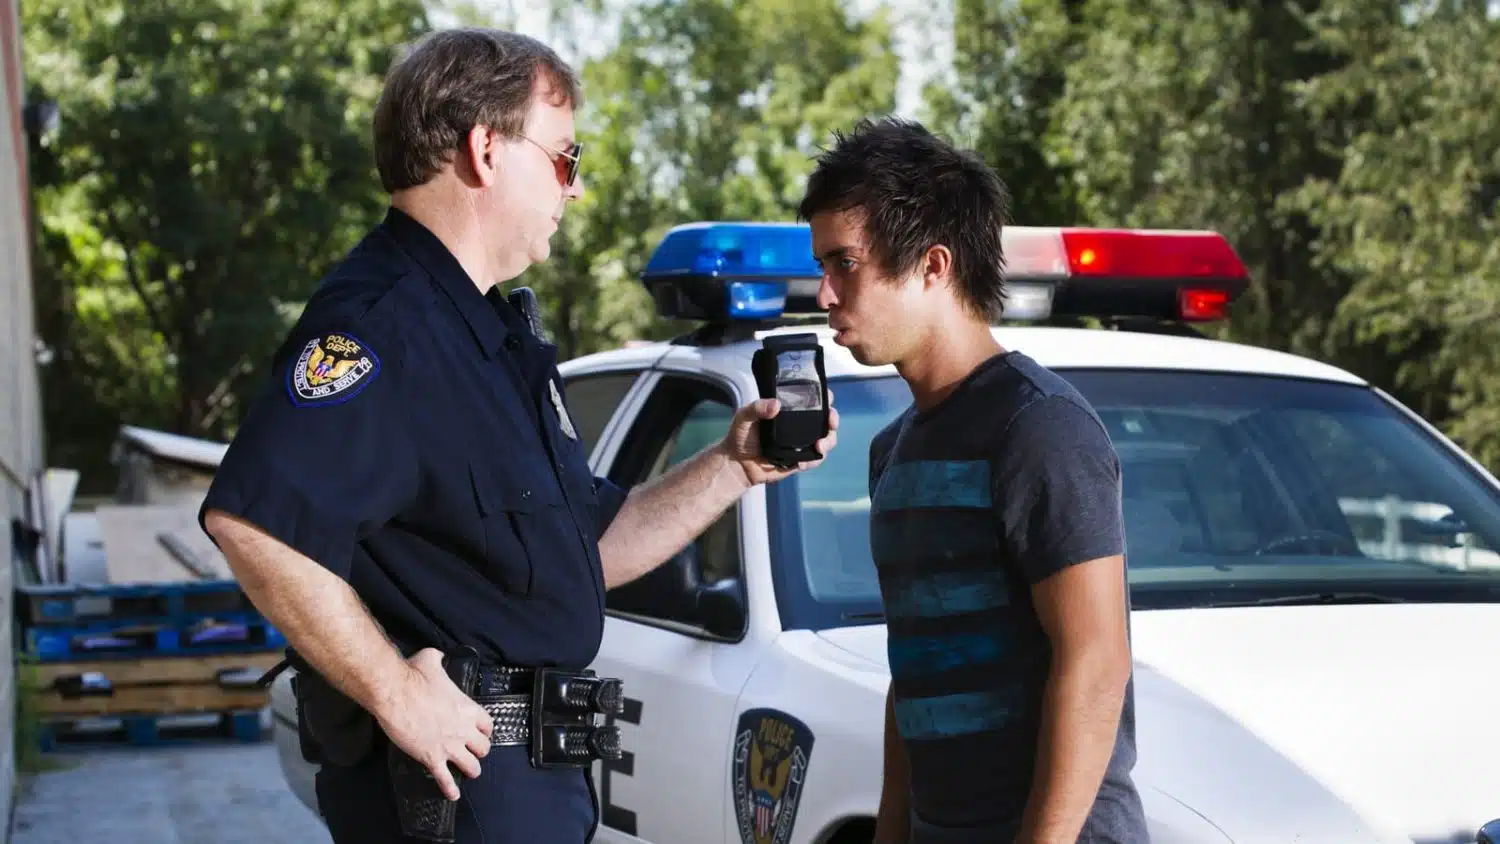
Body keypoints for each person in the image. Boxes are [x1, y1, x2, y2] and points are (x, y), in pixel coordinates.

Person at [197, 28, 837, 844]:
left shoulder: (488, 339)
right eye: (566, 159)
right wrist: (395, 691)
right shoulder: (384, 324)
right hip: (445, 793)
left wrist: (733, 466)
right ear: (485, 150)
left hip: (525, 790)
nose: (575, 191)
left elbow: (589, 550)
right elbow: (254, 522)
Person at [797, 116, 1147, 844]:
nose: (824, 293)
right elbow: (915, 675)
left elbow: (1096, 661)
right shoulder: (893, 449)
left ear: (933, 265)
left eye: (844, 264)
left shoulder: (1039, 425)